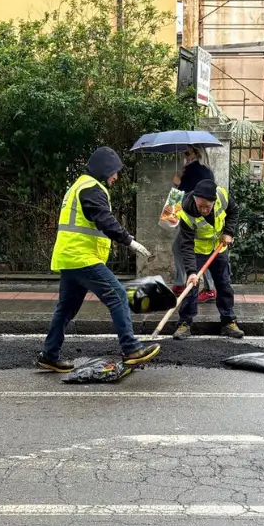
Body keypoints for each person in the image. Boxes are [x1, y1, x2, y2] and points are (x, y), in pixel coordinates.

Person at [37, 146, 161, 372]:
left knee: (66, 309)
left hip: (69, 258)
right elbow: (105, 220)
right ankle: (131, 348)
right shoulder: (92, 188)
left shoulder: (78, 186)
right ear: (104, 169)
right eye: (114, 171)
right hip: (83, 258)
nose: (116, 177)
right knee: (118, 295)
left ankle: (50, 355)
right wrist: (129, 241)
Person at [172, 179, 245, 340]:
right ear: (195, 200)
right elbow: (186, 244)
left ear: (214, 201)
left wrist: (229, 232)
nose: (204, 210)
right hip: (197, 250)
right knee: (191, 286)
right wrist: (191, 271)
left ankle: (228, 322)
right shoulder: (185, 213)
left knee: (224, 285)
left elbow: (234, 211)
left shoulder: (222, 196)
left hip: (219, 248)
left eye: (208, 206)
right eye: (200, 206)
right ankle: (184, 323)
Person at [172, 146, 216, 302]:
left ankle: (209, 288)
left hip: (196, 219)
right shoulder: (203, 170)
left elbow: (189, 193)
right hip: (199, 218)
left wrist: (178, 182)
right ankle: (180, 283)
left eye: (187, 153)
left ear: (196, 153)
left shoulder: (196, 169)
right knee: (178, 247)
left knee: (197, 253)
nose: (185, 156)